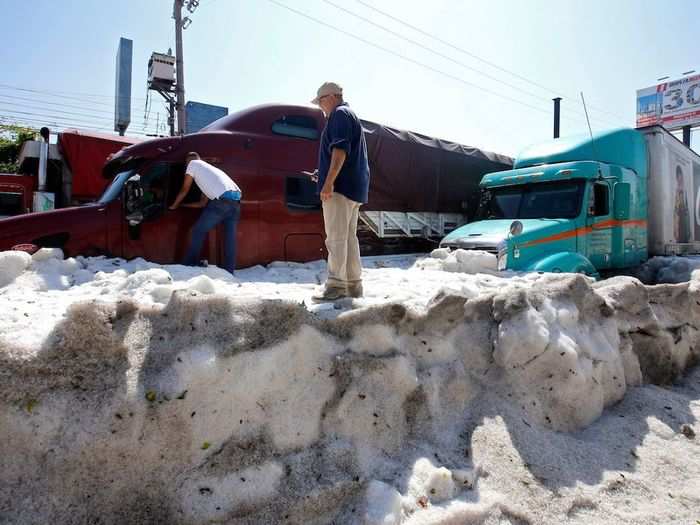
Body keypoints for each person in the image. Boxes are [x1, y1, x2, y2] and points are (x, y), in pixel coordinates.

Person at [310, 82, 370, 301]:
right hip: (353, 188)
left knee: (335, 238)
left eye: (321, 101)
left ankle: (335, 287)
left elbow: (340, 149)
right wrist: (323, 173)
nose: (320, 107)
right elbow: (346, 154)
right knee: (349, 239)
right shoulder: (350, 115)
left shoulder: (339, 114)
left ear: (332, 97)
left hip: (340, 188)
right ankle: (354, 286)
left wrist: (327, 183)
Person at [169, 152, 242, 274]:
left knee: (198, 230)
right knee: (229, 238)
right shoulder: (210, 173)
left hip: (222, 201)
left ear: (189, 161)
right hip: (236, 202)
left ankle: (188, 265)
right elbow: (202, 203)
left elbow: (184, 189)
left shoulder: (193, 163)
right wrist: (184, 205)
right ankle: (230, 271)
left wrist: (174, 205)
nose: (186, 169)